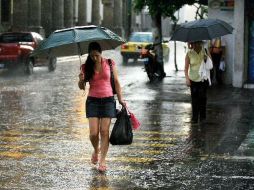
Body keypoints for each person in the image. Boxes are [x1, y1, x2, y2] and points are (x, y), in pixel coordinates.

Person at [78, 42, 125, 172]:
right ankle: (95, 150)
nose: (94, 58)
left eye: (96, 55)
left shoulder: (110, 63)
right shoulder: (85, 67)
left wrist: (120, 99)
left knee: (104, 131)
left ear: (101, 53)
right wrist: (81, 80)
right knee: (93, 133)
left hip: (108, 101)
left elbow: (116, 81)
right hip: (92, 101)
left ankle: (102, 161)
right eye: (92, 56)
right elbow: (82, 88)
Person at [184, 41, 210, 124]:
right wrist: (187, 79)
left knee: (203, 98)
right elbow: (186, 68)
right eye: (193, 44)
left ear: (200, 43)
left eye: (197, 43)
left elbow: (210, 64)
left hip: (203, 79)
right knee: (194, 99)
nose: (195, 45)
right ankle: (194, 118)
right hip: (193, 79)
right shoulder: (189, 53)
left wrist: (207, 58)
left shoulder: (205, 51)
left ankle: (203, 117)